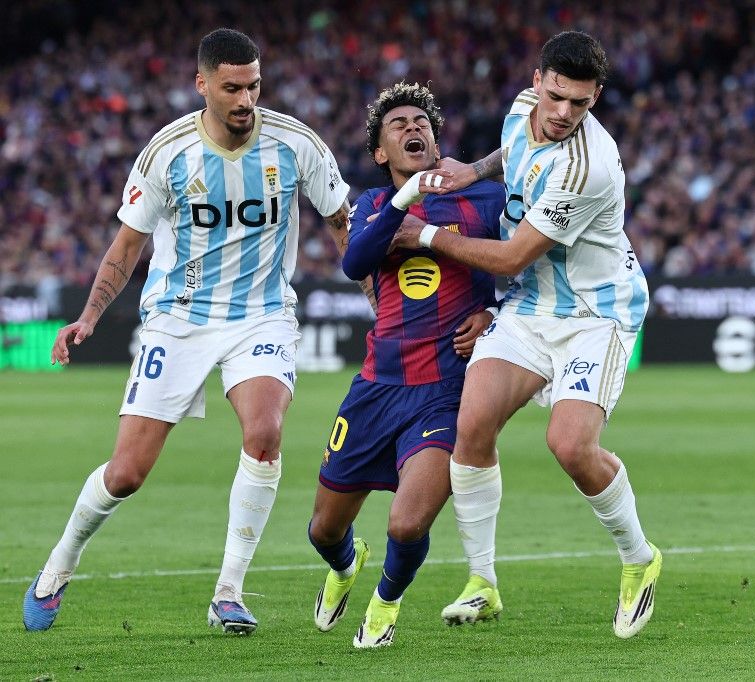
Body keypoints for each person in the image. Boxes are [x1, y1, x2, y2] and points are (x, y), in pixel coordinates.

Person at [23, 28, 352, 635]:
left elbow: (341, 223)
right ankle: (58, 564)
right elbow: (127, 245)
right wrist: (90, 316)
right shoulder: (168, 153)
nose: (246, 99)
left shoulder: (297, 144)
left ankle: (229, 589)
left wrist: (379, 299)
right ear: (202, 85)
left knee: (265, 432)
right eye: (231, 88)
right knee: (127, 473)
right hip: (178, 320)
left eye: (254, 85)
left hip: (262, 313)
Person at [391, 30, 661, 639]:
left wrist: (425, 237)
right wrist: (471, 172)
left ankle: (639, 558)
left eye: (582, 104)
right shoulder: (522, 109)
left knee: (569, 445)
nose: (565, 113)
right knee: (473, 424)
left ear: (596, 100)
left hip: (595, 314)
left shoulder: (589, 168)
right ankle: (482, 582)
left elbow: (513, 257)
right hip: (531, 307)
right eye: (557, 97)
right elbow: (510, 153)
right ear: (538, 81)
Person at [307, 82, 503, 648]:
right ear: (380, 153)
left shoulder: (485, 201)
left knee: (407, 522)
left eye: (421, 120)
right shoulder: (372, 205)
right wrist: (404, 200)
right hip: (375, 388)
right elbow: (355, 262)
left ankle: (385, 602)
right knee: (323, 530)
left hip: (446, 390)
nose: (412, 127)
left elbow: (530, 269)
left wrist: (494, 313)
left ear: (435, 136)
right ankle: (346, 565)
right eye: (397, 125)